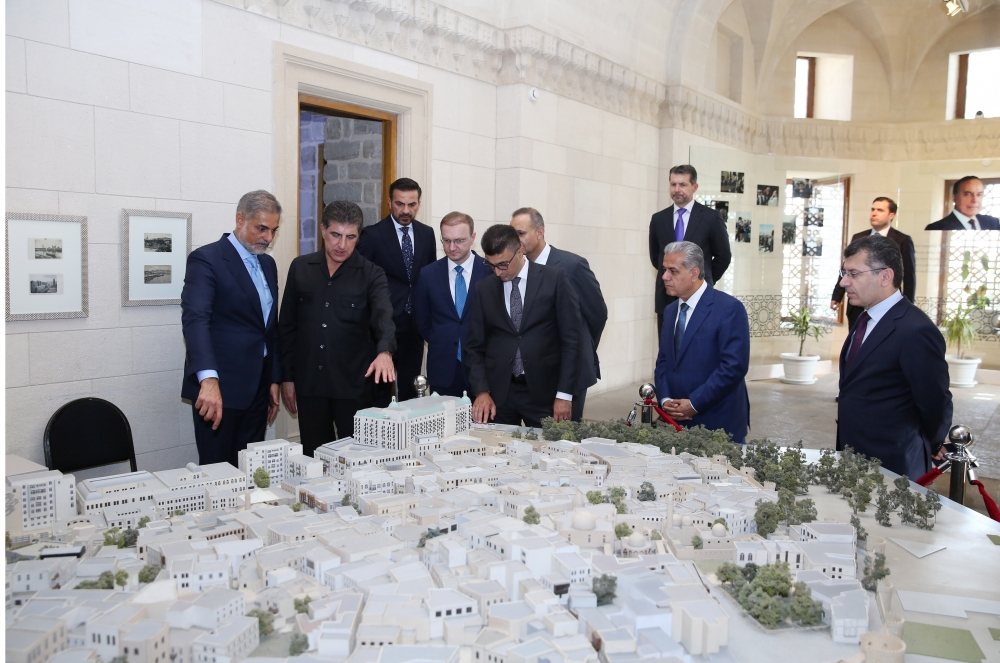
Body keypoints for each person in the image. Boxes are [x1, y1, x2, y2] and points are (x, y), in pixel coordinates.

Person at [278, 201, 396, 454]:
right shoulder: (300, 268)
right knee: (314, 458)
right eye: (335, 235)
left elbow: (384, 316)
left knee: (355, 459)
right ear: (322, 230)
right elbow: (287, 327)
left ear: (358, 236)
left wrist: (385, 351)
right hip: (310, 386)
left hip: (353, 388)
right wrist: (286, 377)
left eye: (350, 237)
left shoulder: (372, 274)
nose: (342, 245)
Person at [836, 234, 953, 479]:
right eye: (844, 273)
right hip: (853, 451)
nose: (844, 282)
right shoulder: (864, 318)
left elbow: (934, 400)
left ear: (885, 276)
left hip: (893, 460)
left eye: (853, 274)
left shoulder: (915, 329)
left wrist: (932, 442)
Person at [181, 190, 283, 466]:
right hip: (219, 389)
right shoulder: (207, 259)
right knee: (218, 472)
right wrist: (208, 381)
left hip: (258, 389)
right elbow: (196, 320)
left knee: (251, 470)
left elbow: (269, 327)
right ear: (240, 219)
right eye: (261, 228)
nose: (268, 238)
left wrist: (273, 378)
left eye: (273, 230)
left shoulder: (268, 264)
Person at [463, 224, 581, 428]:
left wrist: (564, 395)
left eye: (503, 264)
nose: (498, 272)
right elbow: (474, 346)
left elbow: (572, 340)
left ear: (520, 251)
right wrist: (481, 391)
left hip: (546, 393)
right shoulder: (484, 289)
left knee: (550, 447)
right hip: (500, 395)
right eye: (491, 265)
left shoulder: (554, 279)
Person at [510, 207, 608, 421]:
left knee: (563, 438)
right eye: (512, 235)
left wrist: (580, 347)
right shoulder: (515, 268)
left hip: (569, 376)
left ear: (540, 232)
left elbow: (597, 314)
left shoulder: (572, 266)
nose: (516, 241)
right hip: (533, 376)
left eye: (521, 233)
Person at [653, 241, 750, 444]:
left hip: (718, 423)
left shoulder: (728, 309)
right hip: (674, 424)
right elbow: (663, 362)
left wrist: (694, 403)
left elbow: (733, 367)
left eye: (673, 271)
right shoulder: (670, 311)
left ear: (694, 273)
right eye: (664, 270)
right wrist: (665, 399)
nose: (664, 277)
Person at [357, 177, 437, 403]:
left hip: (415, 327)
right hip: (384, 328)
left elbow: (429, 277)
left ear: (419, 204)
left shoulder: (427, 234)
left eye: (412, 204)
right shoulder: (372, 235)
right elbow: (362, 282)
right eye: (400, 204)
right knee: (381, 392)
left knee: (412, 391)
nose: (406, 210)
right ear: (389, 202)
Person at [413, 212, 491, 397]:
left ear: (473, 237)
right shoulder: (428, 274)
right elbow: (422, 321)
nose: (452, 247)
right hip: (443, 368)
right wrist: (442, 339)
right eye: (446, 241)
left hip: (483, 369)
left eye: (459, 241)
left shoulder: (489, 272)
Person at [649, 165, 731, 337]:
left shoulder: (711, 218)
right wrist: (673, 277)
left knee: (698, 346)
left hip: (699, 296)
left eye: (683, 184)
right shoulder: (658, 219)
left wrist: (700, 279)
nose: (677, 189)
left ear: (694, 187)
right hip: (667, 297)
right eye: (673, 184)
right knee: (668, 348)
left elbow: (723, 256)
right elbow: (656, 257)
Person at [831, 197, 916, 327]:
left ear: (891, 215)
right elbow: (846, 269)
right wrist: (837, 296)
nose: (874, 213)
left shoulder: (902, 240)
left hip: (887, 307)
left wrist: (906, 308)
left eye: (880, 210)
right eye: (873, 209)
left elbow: (909, 277)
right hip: (857, 308)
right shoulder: (859, 237)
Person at [925, 176, 1000, 230]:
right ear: (954, 197)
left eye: (979, 194)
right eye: (968, 194)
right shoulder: (937, 227)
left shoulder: (993, 223)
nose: (974, 200)